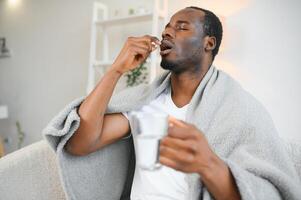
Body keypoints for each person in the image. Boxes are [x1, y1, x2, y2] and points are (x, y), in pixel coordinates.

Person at [62, 6, 300, 200]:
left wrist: (209, 164)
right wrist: (116, 70)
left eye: (181, 27)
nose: (167, 32)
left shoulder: (240, 108)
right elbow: (79, 144)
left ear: (209, 43)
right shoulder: (145, 103)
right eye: (166, 28)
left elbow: (263, 192)